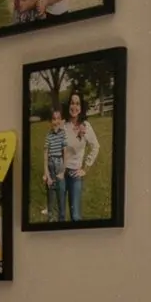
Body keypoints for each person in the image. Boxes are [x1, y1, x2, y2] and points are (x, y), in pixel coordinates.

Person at [62, 91, 100, 222]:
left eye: (77, 104)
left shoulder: (86, 126)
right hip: (60, 174)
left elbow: (95, 146)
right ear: (68, 105)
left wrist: (85, 168)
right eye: (72, 103)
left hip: (75, 175)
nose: (74, 107)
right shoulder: (63, 125)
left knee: (75, 216)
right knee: (60, 215)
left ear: (81, 107)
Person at [43, 107, 67, 222]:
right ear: (50, 121)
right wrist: (46, 174)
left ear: (61, 120)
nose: (56, 121)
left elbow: (65, 154)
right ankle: (50, 219)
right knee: (50, 197)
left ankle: (61, 220)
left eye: (58, 118)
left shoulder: (63, 134)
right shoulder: (48, 135)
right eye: (53, 119)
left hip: (59, 165)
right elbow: (45, 156)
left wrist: (63, 172)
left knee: (61, 196)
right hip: (50, 165)